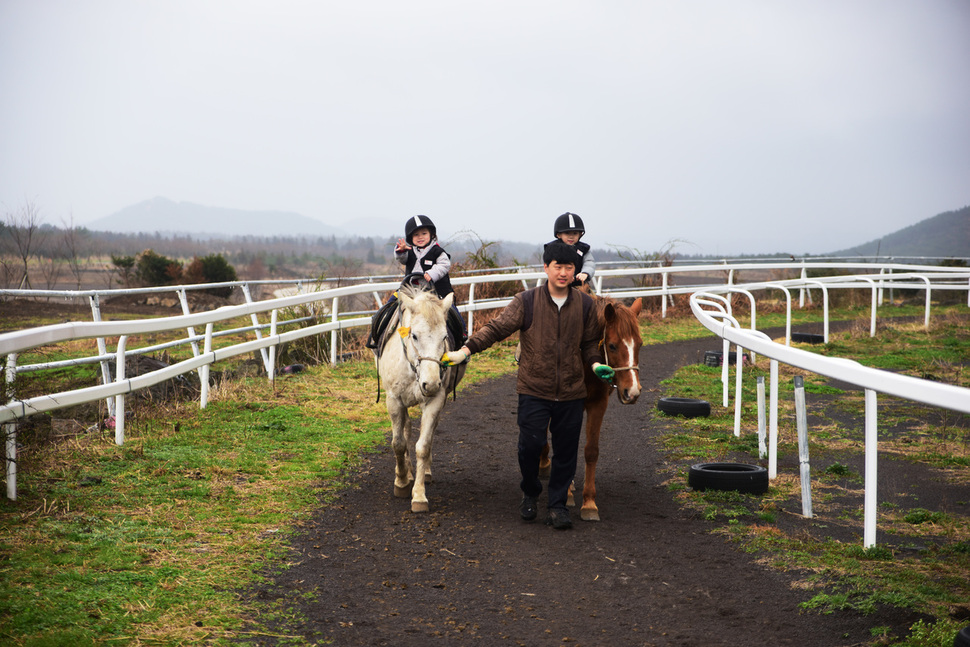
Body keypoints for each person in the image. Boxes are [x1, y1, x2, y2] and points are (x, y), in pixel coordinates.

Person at [442, 240, 614, 530]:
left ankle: (558, 505)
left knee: (566, 452)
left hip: (572, 390)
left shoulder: (585, 305)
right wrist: (464, 350)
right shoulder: (526, 301)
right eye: (557, 266)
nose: (563, 272)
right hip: (534, 388)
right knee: (530, 446)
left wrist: (596, 365)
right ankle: (530, 492)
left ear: (576, 271)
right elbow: (496, 329)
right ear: (546, 268)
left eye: (569, 267)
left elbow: (588, 345)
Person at [367, 215, 464, 351]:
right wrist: (400, 250)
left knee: (452, 310)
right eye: (416, 235)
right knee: (388, 307)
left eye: (424, 233)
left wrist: (432, 274)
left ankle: (462, 335)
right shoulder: (410, 251)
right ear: (411, 238)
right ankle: (376, 336)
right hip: (410, 290)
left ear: (432, 234)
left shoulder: (438, 252)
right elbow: (402, 258)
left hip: (435, 292)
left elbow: (444, 265)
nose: (420, 237)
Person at [552, 212, 595, 287]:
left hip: (579, 285)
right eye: (567, 233)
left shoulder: (583, 249)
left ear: (580, 234)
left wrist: (585, 273)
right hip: (558, 284)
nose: (571, 236)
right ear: (558, 234)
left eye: (575, 233)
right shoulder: (554, 249)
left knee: (589, 297)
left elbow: (589, 263)